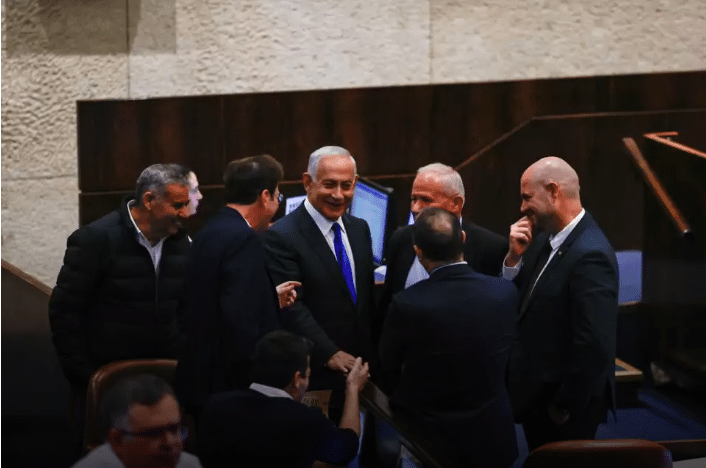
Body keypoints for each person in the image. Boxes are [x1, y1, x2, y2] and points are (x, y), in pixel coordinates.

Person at [379, 207, 519, 467]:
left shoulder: (408, 303)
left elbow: (389, 368)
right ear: (462, 239)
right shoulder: (504, 292)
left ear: (418, 251)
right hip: (491, 437)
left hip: (430, 442)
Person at [49, 163, 193, 410]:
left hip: (167, 382)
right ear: (149, 200)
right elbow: (65, 312)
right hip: (110, 383)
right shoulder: (96, 240)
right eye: (178, 205)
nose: (186, 213)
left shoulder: (181, 243)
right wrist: (87, 378)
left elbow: (187, 309)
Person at [503, 156, 618, 451]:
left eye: (527, 197)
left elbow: (594, 345)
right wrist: (514, 259)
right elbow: (522, 302)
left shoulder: (591, 256)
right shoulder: (544, 240)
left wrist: (564, 405)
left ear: (554, 191)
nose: (522, 207)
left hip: (564, 411)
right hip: (537, 397)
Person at [174, 155, 299, 419]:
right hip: (228, 389)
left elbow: (215, 299)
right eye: (278, 195)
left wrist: (267, 298)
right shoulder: (243, 240)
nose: (277, 203)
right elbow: (242, 328)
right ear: (265, 196)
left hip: (200, 379)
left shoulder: (213, 230)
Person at [262, 146, 375, 396]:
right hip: (316, 371)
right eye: (329, 185)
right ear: (307, 182)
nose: (338, 195)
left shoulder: (360, 229)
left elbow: (364, 300)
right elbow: (292, 306)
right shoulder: (282, 236)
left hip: (360, 369)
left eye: (346, 186)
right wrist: (329, 353)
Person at [376, 163, 507, 345]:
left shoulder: (490, 247)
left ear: (456, 203)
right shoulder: (401, 238)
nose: (415, 208)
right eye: (413, 199)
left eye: (425, 200)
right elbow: (386, 307)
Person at [198, 330, 369, 468]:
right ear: (296, 379)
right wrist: (353, 388)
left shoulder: (216, 406)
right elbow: (346, 449)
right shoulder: (304, 421)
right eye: (306, 376)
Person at [72, 374, 202, 468]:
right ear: (117, 440)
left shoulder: (190, 464)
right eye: (154, 433)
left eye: (174, 429)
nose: (170, 443)